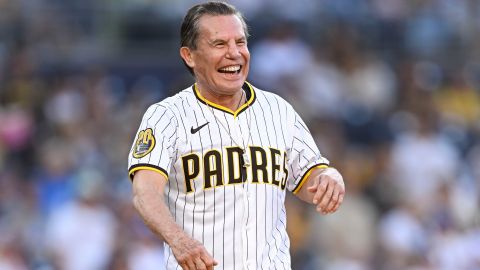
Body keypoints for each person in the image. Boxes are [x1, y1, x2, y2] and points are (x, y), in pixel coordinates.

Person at [127, 2, 345, 269]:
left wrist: (330, 177)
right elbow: (145, 193)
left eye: (240, 42)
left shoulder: (278, 110)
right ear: (189, 56)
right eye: (219, 44)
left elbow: (313, 179)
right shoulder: (167, 116)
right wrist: (177, 239)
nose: (234, 53)